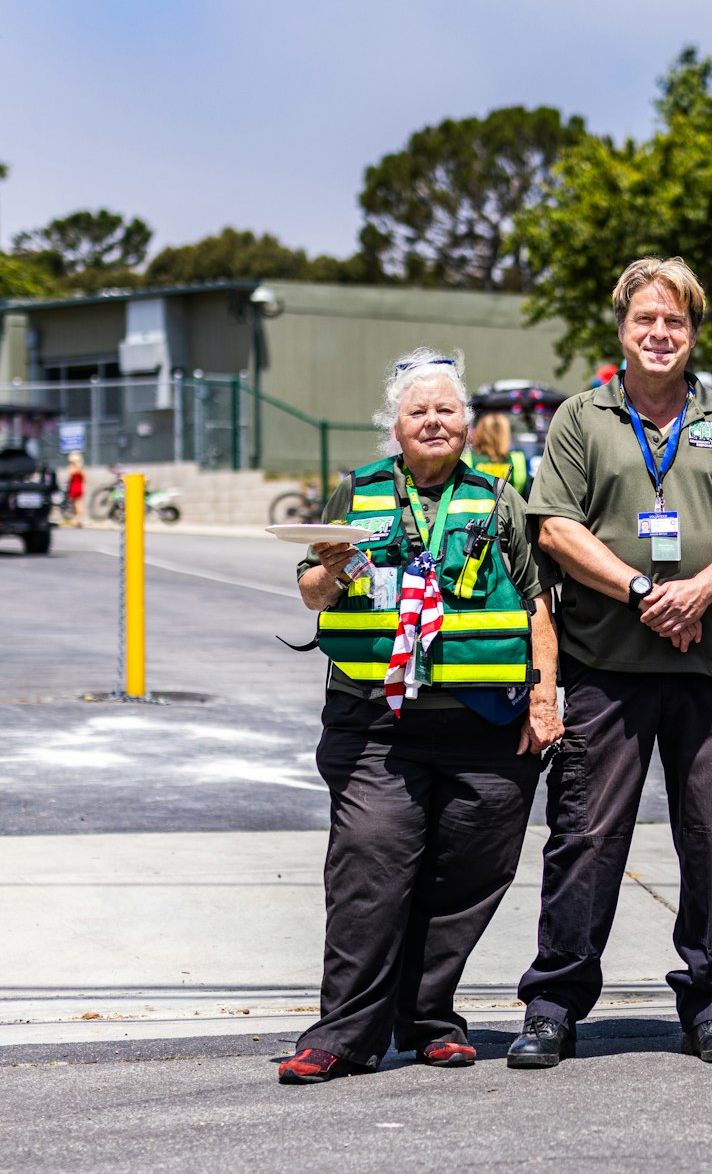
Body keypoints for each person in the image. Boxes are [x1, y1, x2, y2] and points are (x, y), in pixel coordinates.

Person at [508, 257, 712, 1069]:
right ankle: (555, 1001)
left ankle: (711, 1001)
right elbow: (554, 525)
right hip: (607, 665)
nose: (660, 334)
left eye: (676, 322)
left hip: (706, 670)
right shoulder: (580, 418)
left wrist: (696, 591)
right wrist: (643, 590)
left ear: (692, 333)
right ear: (622, 330)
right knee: (585, 835)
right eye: (646, 321)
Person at [278, 349, 563, 1083]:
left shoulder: (501, 499)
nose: (434, 420)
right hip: (377, 721)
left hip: (483, 721)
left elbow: (535, 604)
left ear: (468, 424)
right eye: (418, 411)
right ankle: (343, 1031)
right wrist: (334, 566)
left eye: (447, 409)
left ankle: (431, 1016)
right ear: (395, 429)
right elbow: (311, 590)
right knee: (369, 868)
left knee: (468, 875)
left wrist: (542, 698)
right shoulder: (356, 491)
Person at [470, 410, 531, 498]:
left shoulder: (468, 459)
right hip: (509, 510)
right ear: (506, 434)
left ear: (480, 432)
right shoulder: (517, 459)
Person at [63, 452, 85, 527]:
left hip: (74, 487)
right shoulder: (81, 468)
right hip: (80, 487)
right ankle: (79, 519)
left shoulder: (71, 468)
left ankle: (78, 520)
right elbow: (85, 478)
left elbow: (69, 478)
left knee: (75, 505)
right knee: (79, 504)